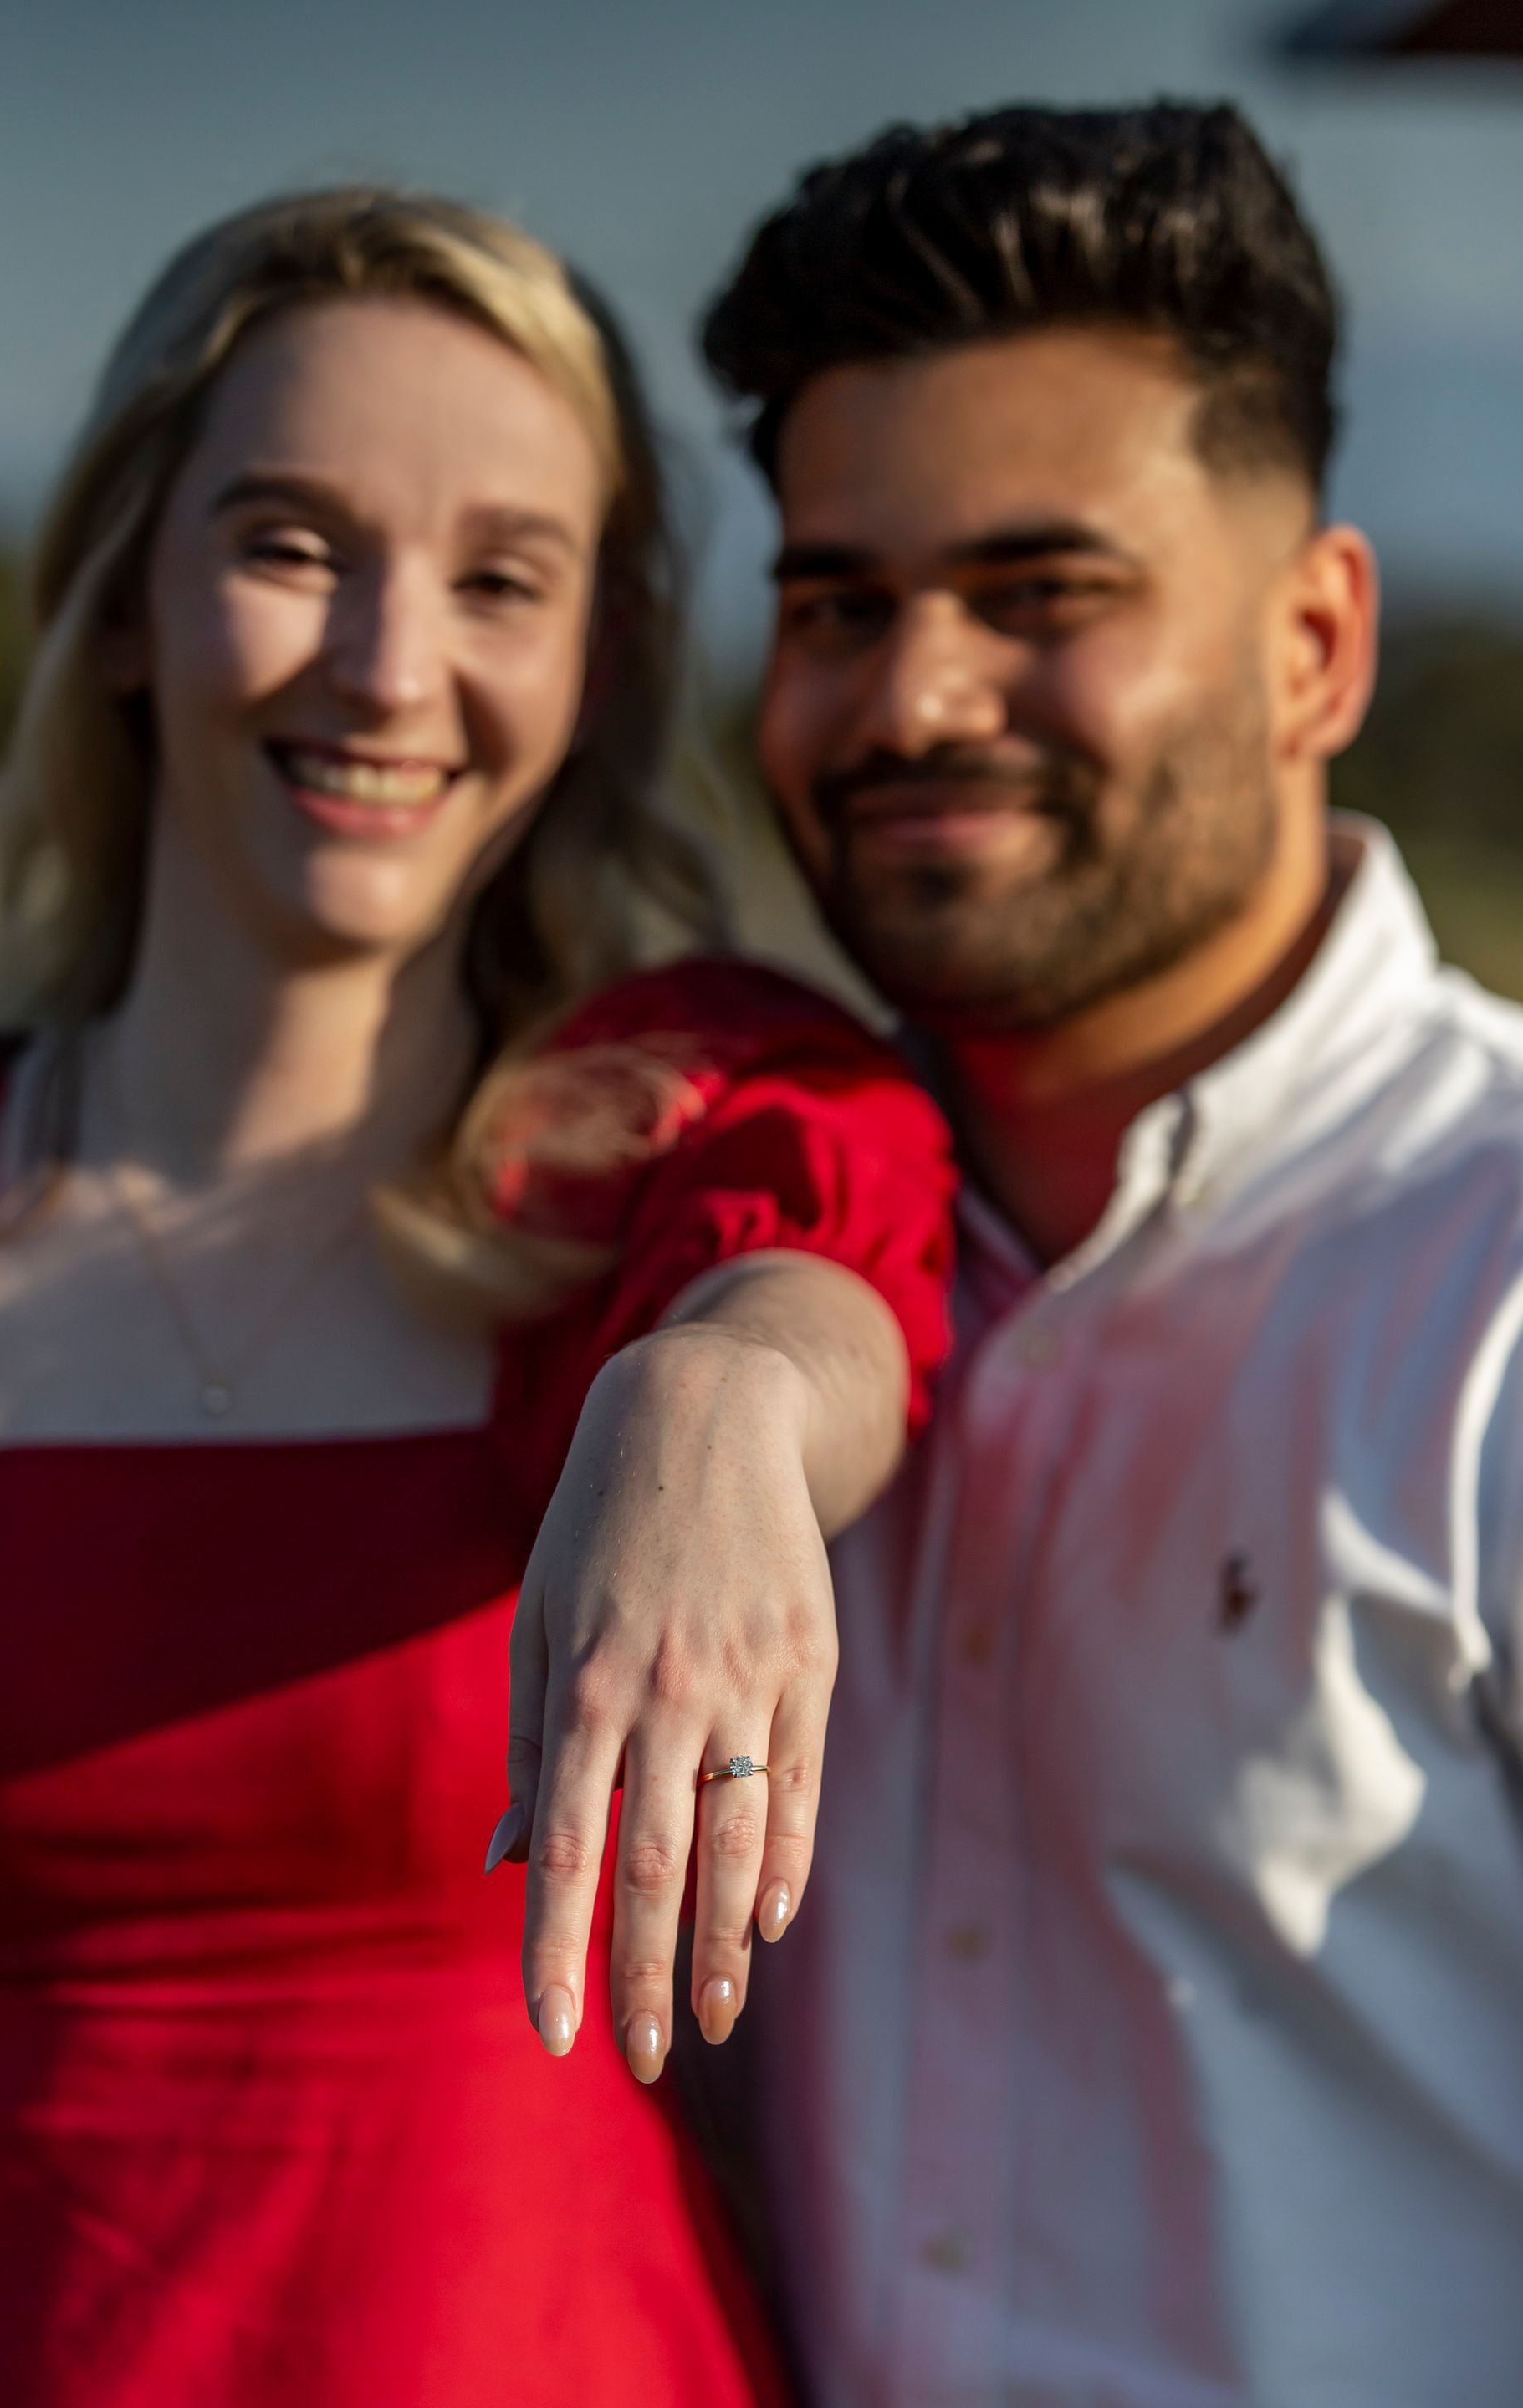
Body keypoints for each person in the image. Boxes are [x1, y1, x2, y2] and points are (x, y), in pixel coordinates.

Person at [0, 186, 957, 2404]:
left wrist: (708, 1407)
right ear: (126, 598)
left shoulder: (667, 1139)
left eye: (502, 580)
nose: (391, 666)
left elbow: (826, 1302)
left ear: (588, 671)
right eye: (292, 543)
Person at [695, 101, 1523, 2408]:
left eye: (1041, 597)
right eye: (839, 605)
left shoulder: (1502, 1289)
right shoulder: (715, 1249)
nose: (917, 698)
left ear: (1315, 644)